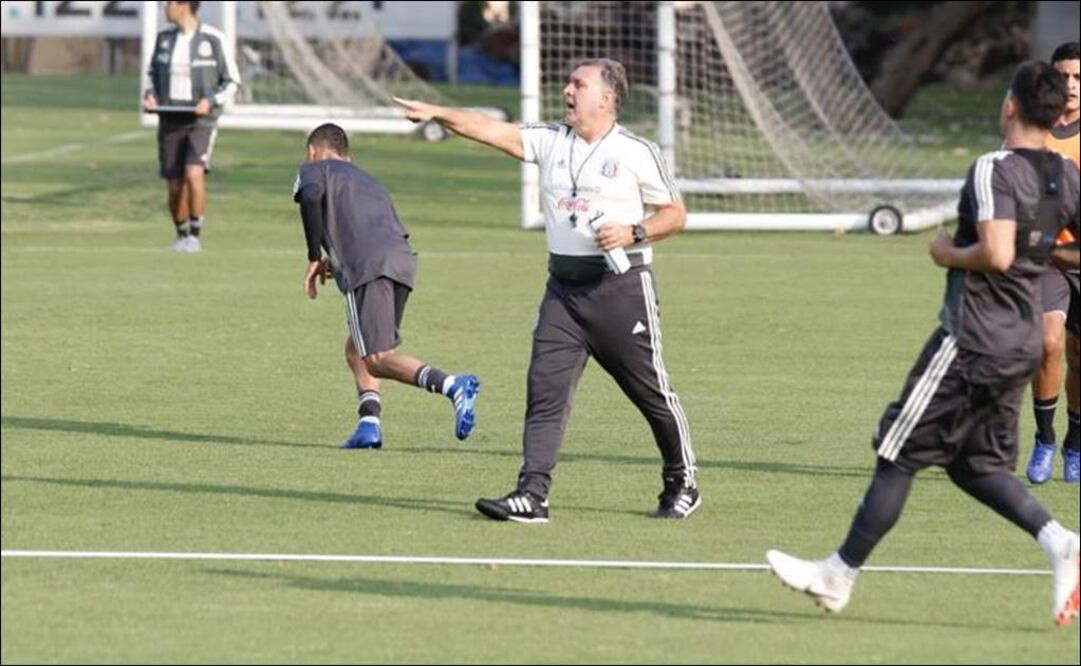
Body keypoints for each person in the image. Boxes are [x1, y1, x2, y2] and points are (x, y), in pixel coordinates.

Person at [766, 61, 1080, 626]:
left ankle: (837, 575)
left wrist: (946, 253)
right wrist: (1046, 253)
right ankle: (1059, 542)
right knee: (975, 466)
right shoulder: (1064, 174)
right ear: (1058, 113)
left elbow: (998, 253)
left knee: (897, 452)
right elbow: (1051, 251)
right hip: (1020, 345)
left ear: (1010, 104)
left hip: (971, 339)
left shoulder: (994, 168)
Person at [393, 58, 699, 524]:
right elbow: (489, 129)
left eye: (579, 84)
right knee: (544, 390)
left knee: (650, 393)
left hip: (620, 291)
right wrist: (438, 112)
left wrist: (633, 232)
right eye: (568, 83)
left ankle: (682, 482)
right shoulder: (551, 140)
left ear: (607, 97)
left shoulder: (637, 151)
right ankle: (532, 493)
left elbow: (674, 214)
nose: (567, 90)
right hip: (563, 293)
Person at [293, 123, 480, 449]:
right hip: (402, 262)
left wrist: (313, 255)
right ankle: (369, 423)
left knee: (376, 357)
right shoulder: (370, 181)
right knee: (356, 349)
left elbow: (310, 197)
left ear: (313, 151)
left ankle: (452, 385)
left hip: (368, 268)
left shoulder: (314, 169)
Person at [143, 0, 240, 253]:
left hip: (201, 121)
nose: (164, 8)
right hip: (170, 119)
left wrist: (210, 100)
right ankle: (181, 234)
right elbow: (151, 75)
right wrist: (151, 95)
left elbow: (232, 81)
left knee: (194, 174)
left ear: (184, 5)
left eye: (169, 3)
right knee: (175, 184)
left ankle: (195, 235)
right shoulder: (163, 39)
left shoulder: (213, 39)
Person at [1027, 41, 1081, 484]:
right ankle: (1044, 439)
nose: (1071, 85)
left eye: (1080, 77)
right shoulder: (1033, 127)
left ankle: (1075, 445)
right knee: (1048, 344)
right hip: (1048, 258)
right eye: (1064, 75)